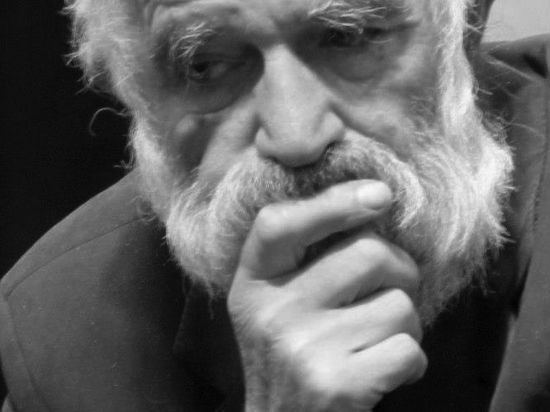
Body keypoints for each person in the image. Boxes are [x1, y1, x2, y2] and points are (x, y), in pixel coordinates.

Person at [0, 0, 549, 410]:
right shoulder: (61, 336)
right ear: (133, 97)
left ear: (463, 28)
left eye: (348, 34)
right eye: (203, 64)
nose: (296, 139)